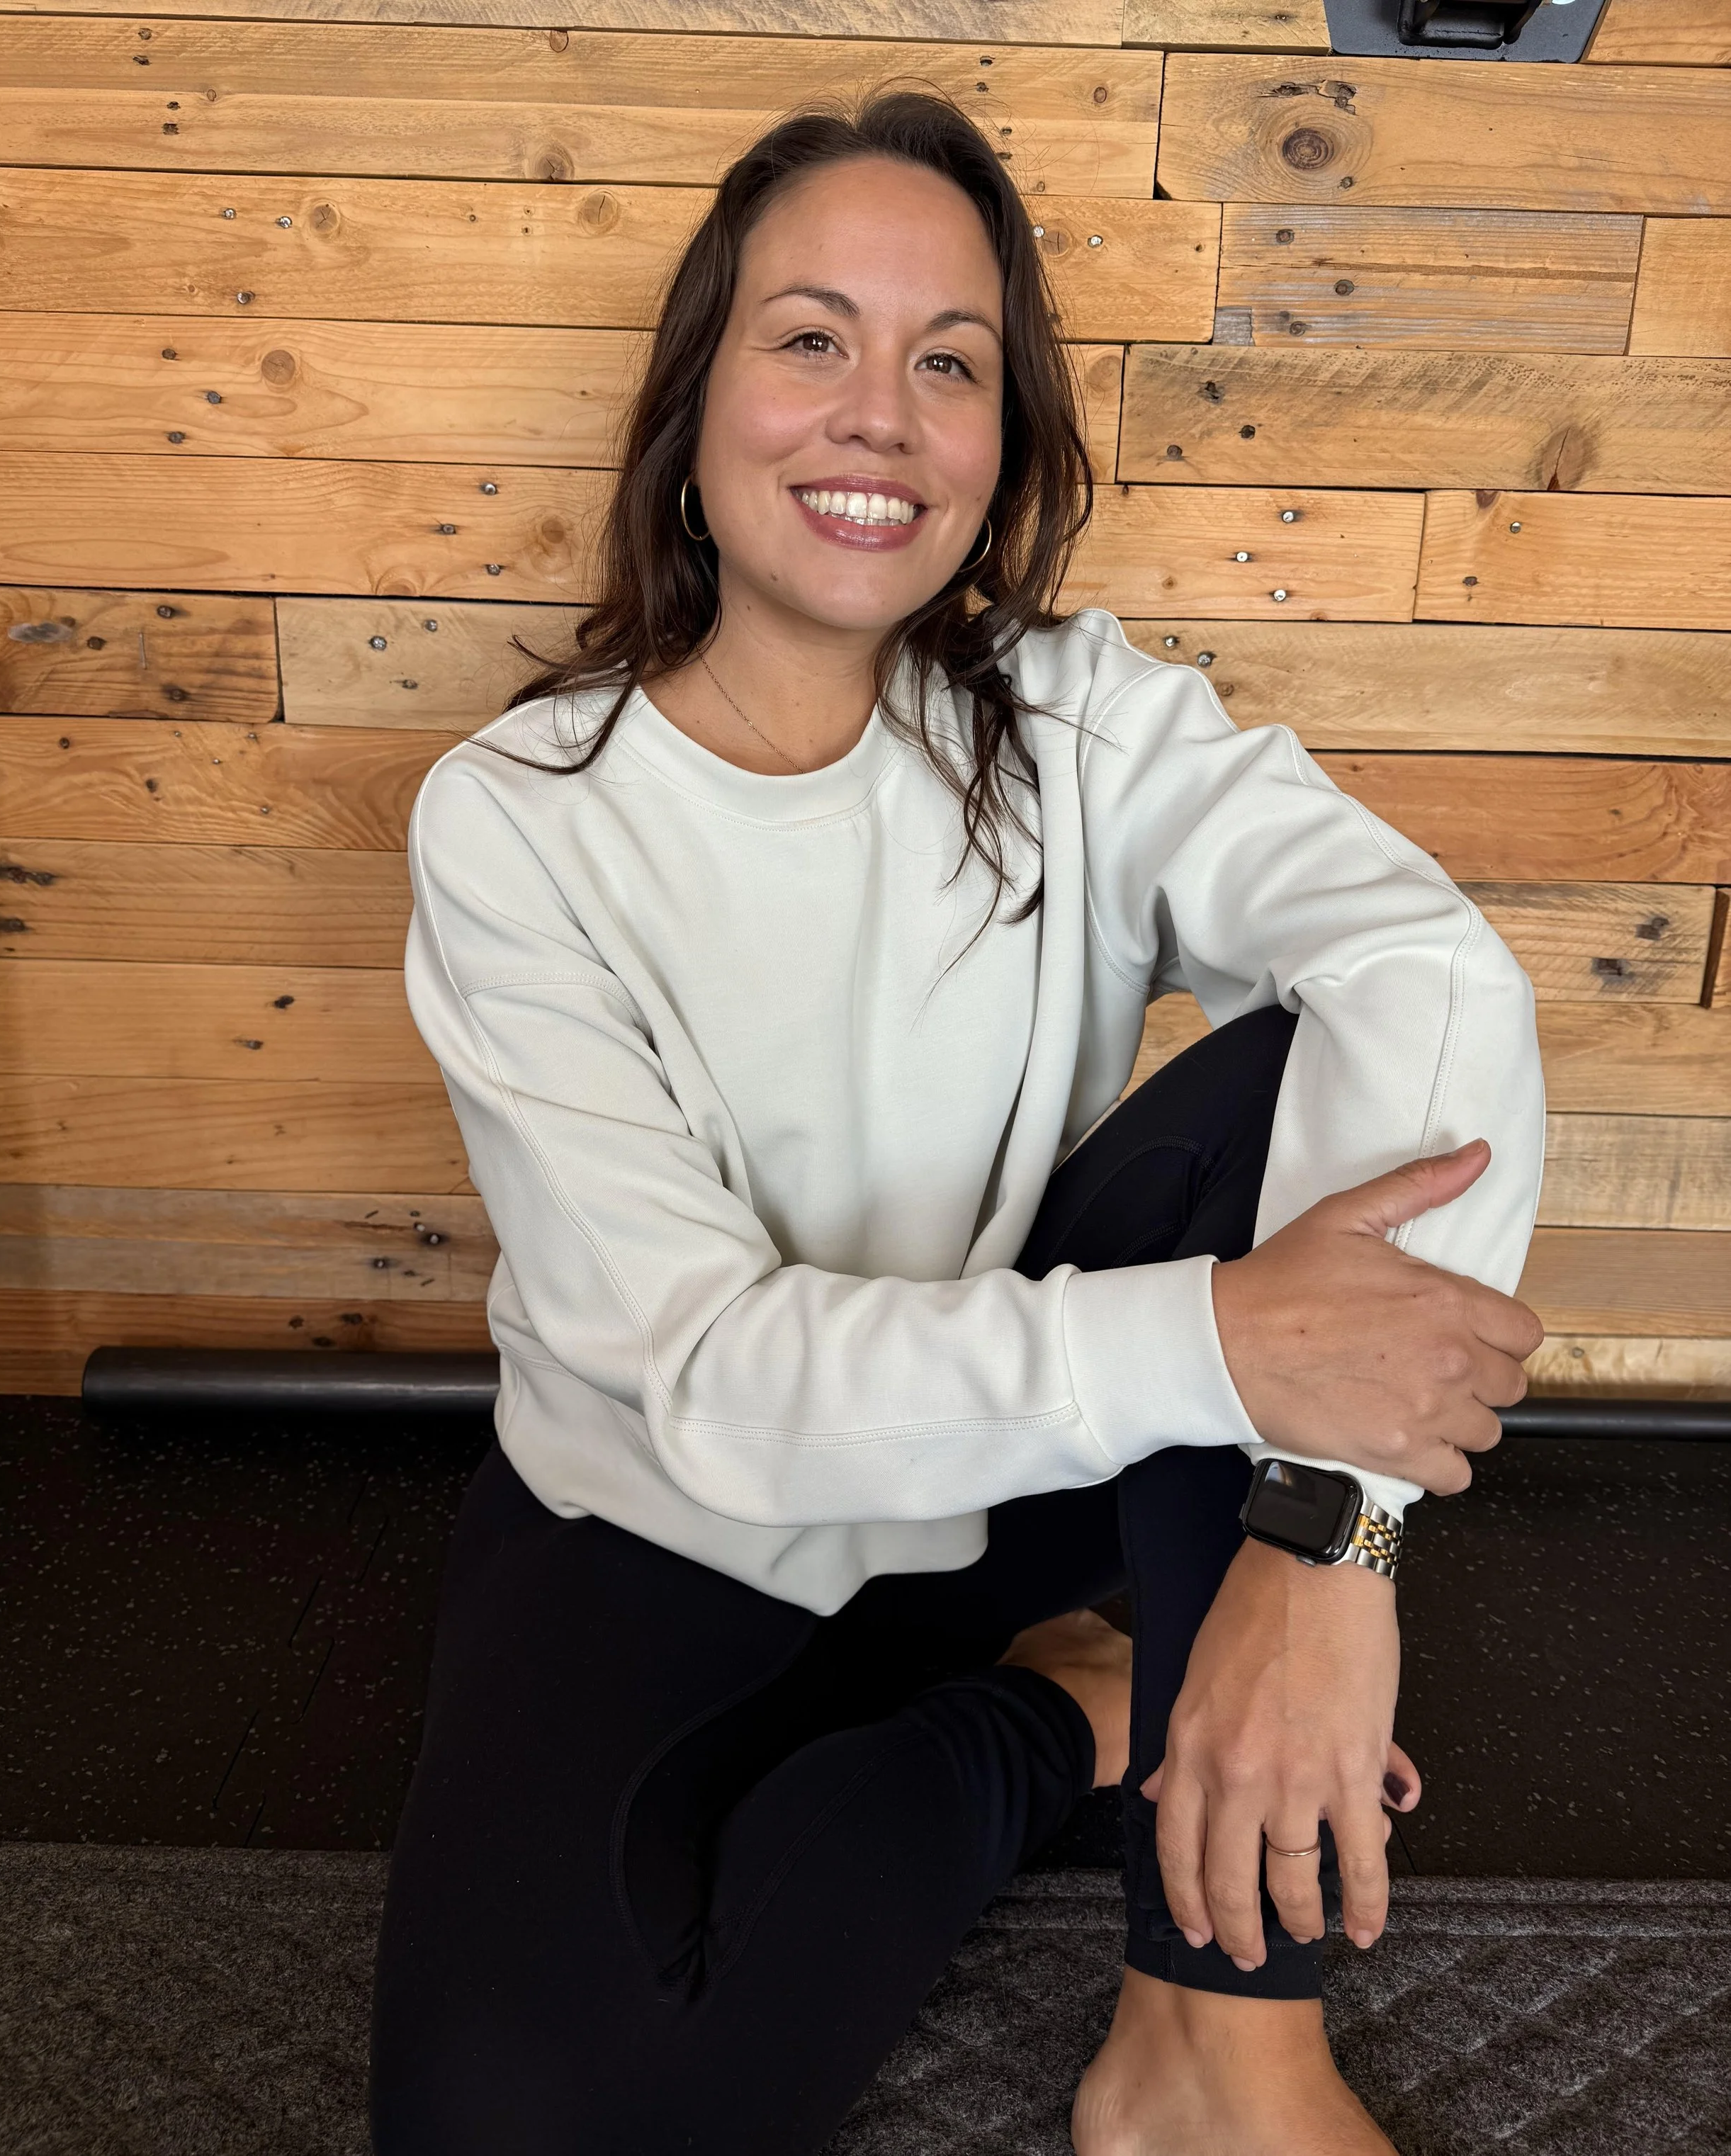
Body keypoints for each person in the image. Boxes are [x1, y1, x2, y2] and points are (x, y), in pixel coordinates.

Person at [371, 89, 1546, 2156]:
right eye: (809, 338)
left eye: (950, 362)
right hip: (667, 1510)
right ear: (699, 397)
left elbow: (1434, 977)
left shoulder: (1083, 723)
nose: (877, 417)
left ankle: (1212, 2044)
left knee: (1313, 1079)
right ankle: (1063, 1714)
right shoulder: (518, 825)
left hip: (1018, 1469)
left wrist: (1329, 1535)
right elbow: (712, 1381)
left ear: (1002, 443)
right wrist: (1224, 1349)